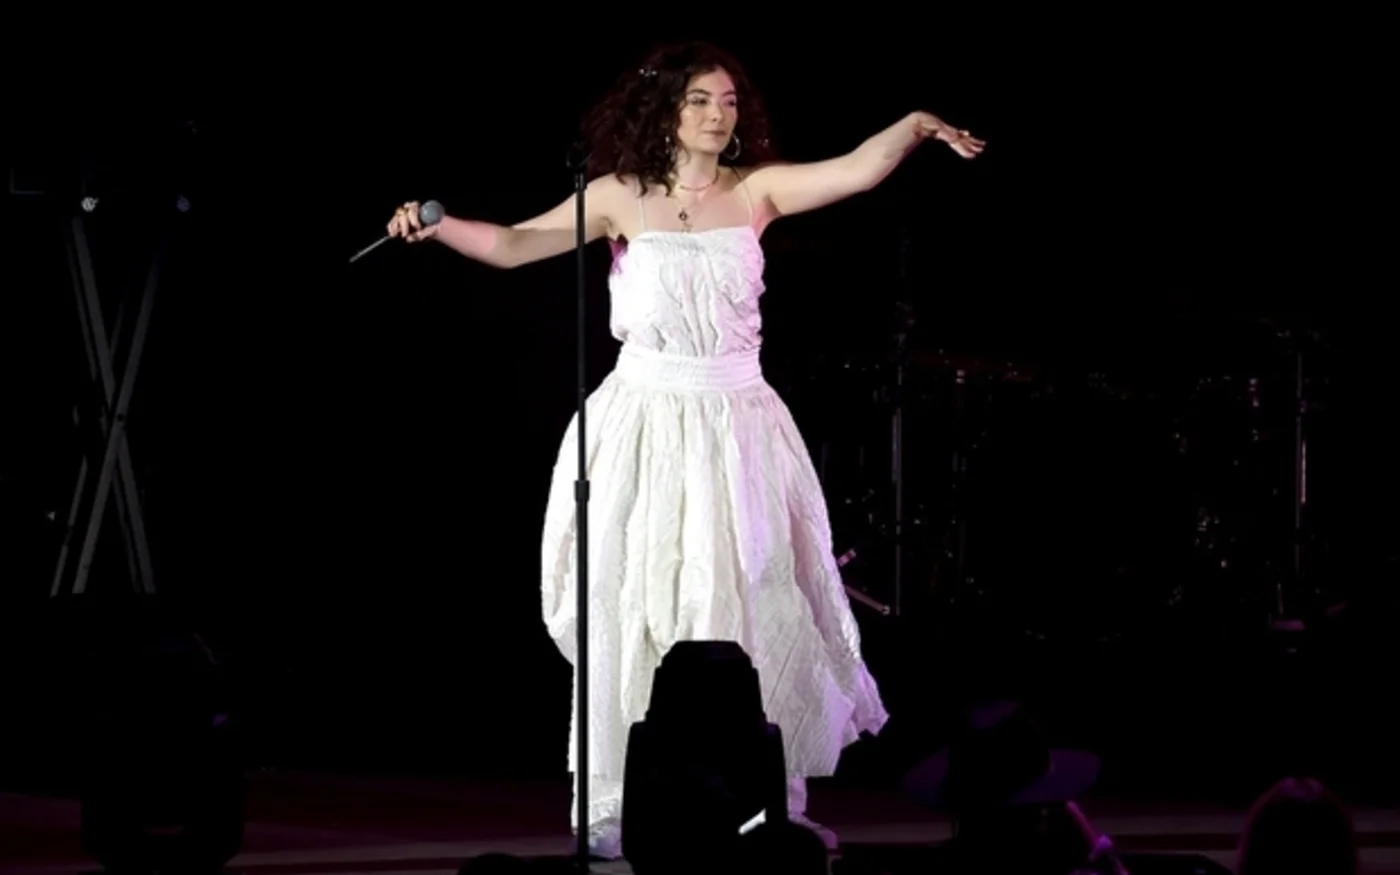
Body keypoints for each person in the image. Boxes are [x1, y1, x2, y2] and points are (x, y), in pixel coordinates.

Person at [386, 41, 984, 859]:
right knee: (642, 601)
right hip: (646, 423)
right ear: (665, 110)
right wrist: (439, 224)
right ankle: (623, 798)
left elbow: (852, 171)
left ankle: (763, 801)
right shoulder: (617, 196)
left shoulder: (755, 190)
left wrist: (912, 127)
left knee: (752, 599)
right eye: (701, 99)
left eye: (729, 101)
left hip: (737, 423)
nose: (718, 114)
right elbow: (517, 243)